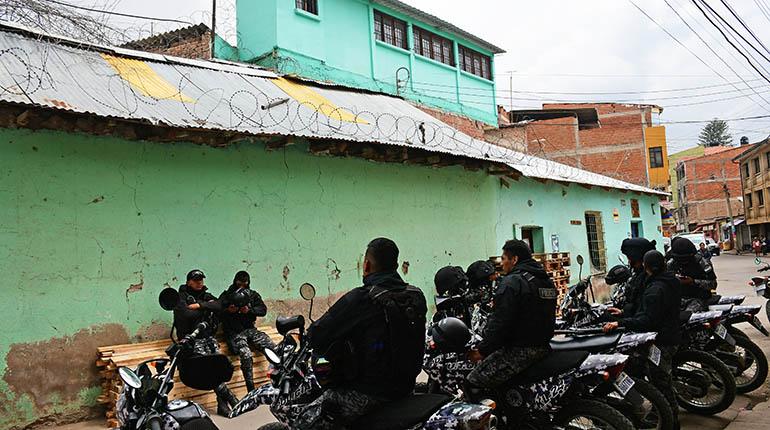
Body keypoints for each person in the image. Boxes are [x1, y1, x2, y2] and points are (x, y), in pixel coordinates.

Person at [294, 238, 427, 430]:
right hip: (406, 388)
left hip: (368, 394)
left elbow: (317, 335)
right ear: (396, 265)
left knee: (303, 422)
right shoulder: (416, 295)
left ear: (366, 265)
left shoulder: (361, 298)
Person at [604, 250, 682, 429]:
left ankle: (671, 421)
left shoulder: (655, 289)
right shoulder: (670, 280)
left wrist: (620, 323)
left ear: (646, 266)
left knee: (661, 382)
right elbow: (650, 311)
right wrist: (624, 312)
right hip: (671, 334)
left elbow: (647, 320)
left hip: (661, 341)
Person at [465, 240, 557, 391]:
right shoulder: (545, 280)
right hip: (543, 347)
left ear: (514, 259)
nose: (501, 263)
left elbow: (500, 323)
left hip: (519, 351)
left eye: (503, 259)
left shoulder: (512, 282)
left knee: (472, 383)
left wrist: (482, 351)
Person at [173, 269, 238, 415]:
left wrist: (200, 306)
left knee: (219, 366)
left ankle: (222, 405)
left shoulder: (204, 295)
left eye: (201, 280)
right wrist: (207, 308)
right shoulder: (181, 297)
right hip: (191, 340)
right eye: (196, 280)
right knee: (210, 368)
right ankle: (229, 397)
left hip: (208, 338)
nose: (199, 282)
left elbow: (220, 305)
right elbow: (185, 314)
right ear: (188, 282)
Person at [219, 270, 276, 393]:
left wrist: (249, 310)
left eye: (244, 284)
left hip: (249, 329)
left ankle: (279, 380)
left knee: (272, 348)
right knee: (246, 354)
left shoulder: (252, 295)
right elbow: (217, 312)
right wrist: (229, 311)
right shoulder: (227, 295)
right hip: (235, 332)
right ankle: (251, 389)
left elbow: (262, 310)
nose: (241, 287)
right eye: (239, 284)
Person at [667, 237, 717, 311]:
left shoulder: (702, 263)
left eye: (685, 259)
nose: (683, 262)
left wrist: (693, 281)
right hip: (678, 300)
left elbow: (713, 284)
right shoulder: (671, 264)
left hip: (699, 299)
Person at [613, 238, 656, 313]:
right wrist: (623, 311)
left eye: (630, 258)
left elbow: (643, 307)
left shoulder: (649, 277)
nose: (629, 261)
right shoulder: (638, 274)